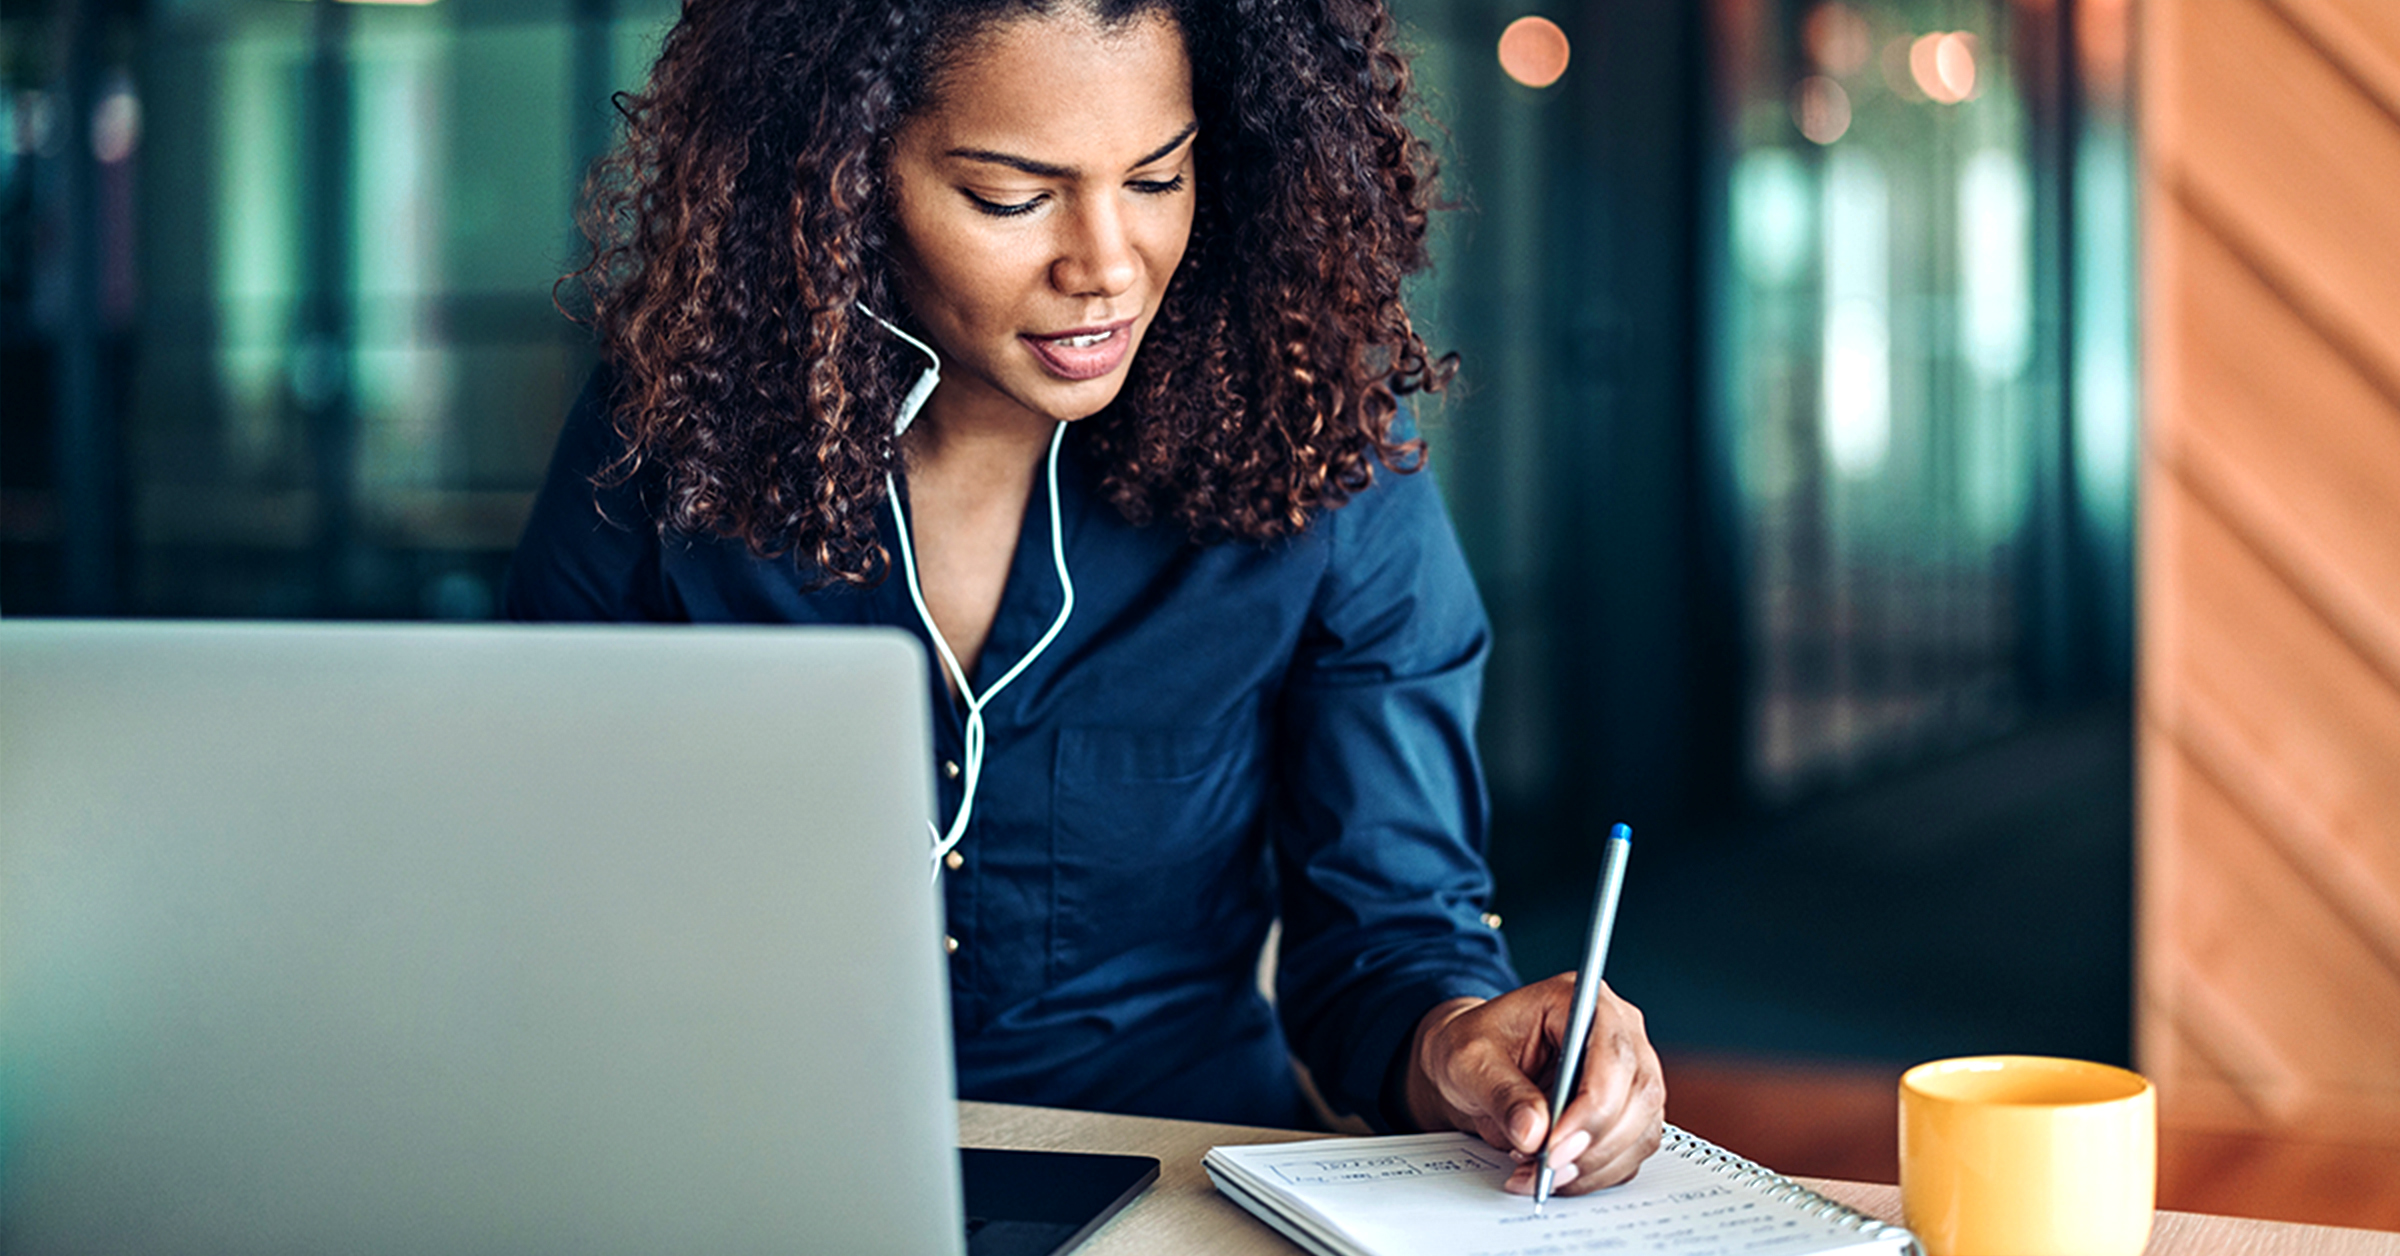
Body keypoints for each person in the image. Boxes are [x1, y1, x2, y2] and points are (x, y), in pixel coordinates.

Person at [505, 0, 1665, 1196]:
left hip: (1173, 1189)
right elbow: (529, 879)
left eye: (1158, 178)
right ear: (838, 174)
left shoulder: (1316, 439)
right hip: (749, 1179)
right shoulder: (667, 439)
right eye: (1012, 198)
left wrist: (1459, 1038)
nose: (1108, 266)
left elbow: (1390, 931)